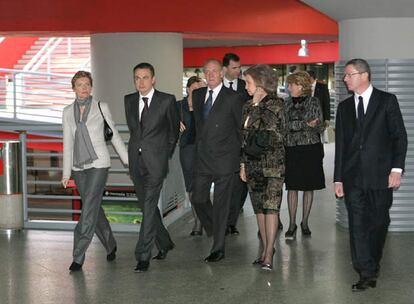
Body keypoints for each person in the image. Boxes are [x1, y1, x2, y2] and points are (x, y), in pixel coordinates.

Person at [334, 58, 407, 291]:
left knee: (378, 222)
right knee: (357, 224)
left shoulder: (387, 101)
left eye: (349, 75)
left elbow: (399, 137)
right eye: (345, 76)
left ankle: (373, 262)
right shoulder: (344, 108)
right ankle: (365, 271)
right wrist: (338, 178)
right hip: (352, 177)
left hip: (381, 176)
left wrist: (397, 169)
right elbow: (342, 145)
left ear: (364, 75)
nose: (345, 79)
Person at [62, 70, 128, 272]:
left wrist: (128, 161)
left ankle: (78, 255)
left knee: (88, 208)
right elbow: (68, 143)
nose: (84, 88)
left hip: (99, 163)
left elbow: (114, 135)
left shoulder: (101, 107)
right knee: (94, 209)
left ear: (91, 87)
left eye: (87, 84)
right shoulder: (66, 112)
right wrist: (66, 173)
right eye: (80, 84)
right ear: (73, 88)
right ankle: (110, 244)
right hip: (79, 167)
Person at [124, 62, 180, 273]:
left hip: (156, 163)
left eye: (145, 77)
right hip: (136, 163)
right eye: (137, 78)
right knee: (147, 208)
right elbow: (135, 132)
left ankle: (143, 255)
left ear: (153, 79)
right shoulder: (129, 100)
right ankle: (164, 242)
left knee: (148, 206)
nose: (141, 82)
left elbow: (174, 132)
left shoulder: (166, 100)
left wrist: (164, 155)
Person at [191, 58, 243, 262]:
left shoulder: (233, 97)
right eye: (207, 71)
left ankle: (218, 248)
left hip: (225, 159)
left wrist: (241, 160)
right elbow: (198, 126)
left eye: (214, 71)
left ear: (222, 73)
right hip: (203, 158)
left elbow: (240, 130)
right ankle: (215, 228)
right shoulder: (197, 95)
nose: (211, 75)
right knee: (198, 198)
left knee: (221, 205)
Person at [239, 64, 285, 271]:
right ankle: (266, 248)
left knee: (271, 208)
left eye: (248, 82)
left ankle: (269, 252)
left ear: (260, 84)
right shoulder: (247, 106)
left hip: (273, 165)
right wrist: (242, 164)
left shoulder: (277, 104)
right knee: (258, 208)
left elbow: (270, 129)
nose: (245, 86)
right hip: (252, 164)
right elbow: (245, 135)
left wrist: (258, 106)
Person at [284, 71, 325, 240]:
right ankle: (292, 223)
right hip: (292, 149)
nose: (288, 87)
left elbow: (319, 125)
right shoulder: (285, 103)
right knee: (292, 186)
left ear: (301, 86)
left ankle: (305, 222)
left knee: (309, 186)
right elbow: (284, 126)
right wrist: (304, 124)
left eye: (291, 84)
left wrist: (301, 125)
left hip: (311, 149)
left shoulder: (314, 101)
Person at [222, 52, 250, 236]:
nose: (238, 71)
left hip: (242, 141)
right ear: (225, 69)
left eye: (239, 67)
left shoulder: (245, 87)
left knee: (241, 184)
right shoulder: (215, 87)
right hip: (222, 143)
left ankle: (231, 221)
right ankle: (224, 220)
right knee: (225, 184)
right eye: (234, 68)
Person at [177, 76, 205, 236]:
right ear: (188, 89)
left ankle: (202, 219)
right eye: (195, 89)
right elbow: (165, 121)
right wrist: (174, 122)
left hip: (204, 149)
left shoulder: (205, 105)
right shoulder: (178, 106)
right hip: (187, 148)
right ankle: (197, 220)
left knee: (202, 184)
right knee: (191, 186)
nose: (198, 93)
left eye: (201, 89)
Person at [308, 70, 331, 143]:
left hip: (319, 117)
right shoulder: (305, 88)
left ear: (311, 78)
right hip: (307, 117)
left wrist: (327, 119)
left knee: (318, 138)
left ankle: (319, 153)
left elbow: (326, 103)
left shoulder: (323, 87)